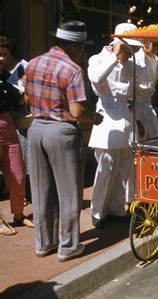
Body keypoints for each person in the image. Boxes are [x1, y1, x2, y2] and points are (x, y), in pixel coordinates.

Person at [24, 21, 102, 260]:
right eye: (82, 46)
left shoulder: (34, 62)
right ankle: (68, 246)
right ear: (74, 46)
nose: (83, 51)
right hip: (62, 131)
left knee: (40, 190)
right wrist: (94, 117)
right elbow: (77, 111)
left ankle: (44, 243)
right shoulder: (73, 69)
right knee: (69, 193)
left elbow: (27, 98)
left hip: (36, 128)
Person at [87, 23, 158, 229]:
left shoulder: (132, 64)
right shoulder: (99, 59)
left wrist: (150, 56)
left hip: (128, 119)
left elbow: (145, 86)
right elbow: (96, 78)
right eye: (130, 49)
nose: (132, 53)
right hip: (107, 120)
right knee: (106, 167)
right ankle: (98, 211)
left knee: (123, 168)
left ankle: (117, 208)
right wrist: (115, 56)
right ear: (119, 44)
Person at [0, 35, 33, 235]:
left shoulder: (6, 77)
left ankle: (19, 215)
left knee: (18, 174)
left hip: (10, 126)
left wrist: (27, 85)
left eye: (5, 54)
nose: (3, 58)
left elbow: (20, 102)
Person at [125, 41, 158, 207]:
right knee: (136, 152)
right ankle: (132, 195)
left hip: (147, 106)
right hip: (136, 107)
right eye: (153, 45)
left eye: (157, 46)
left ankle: (148, 189)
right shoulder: (135, 60)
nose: (155, 49)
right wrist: (137, 120)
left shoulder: (156, 61)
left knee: (153, 147)